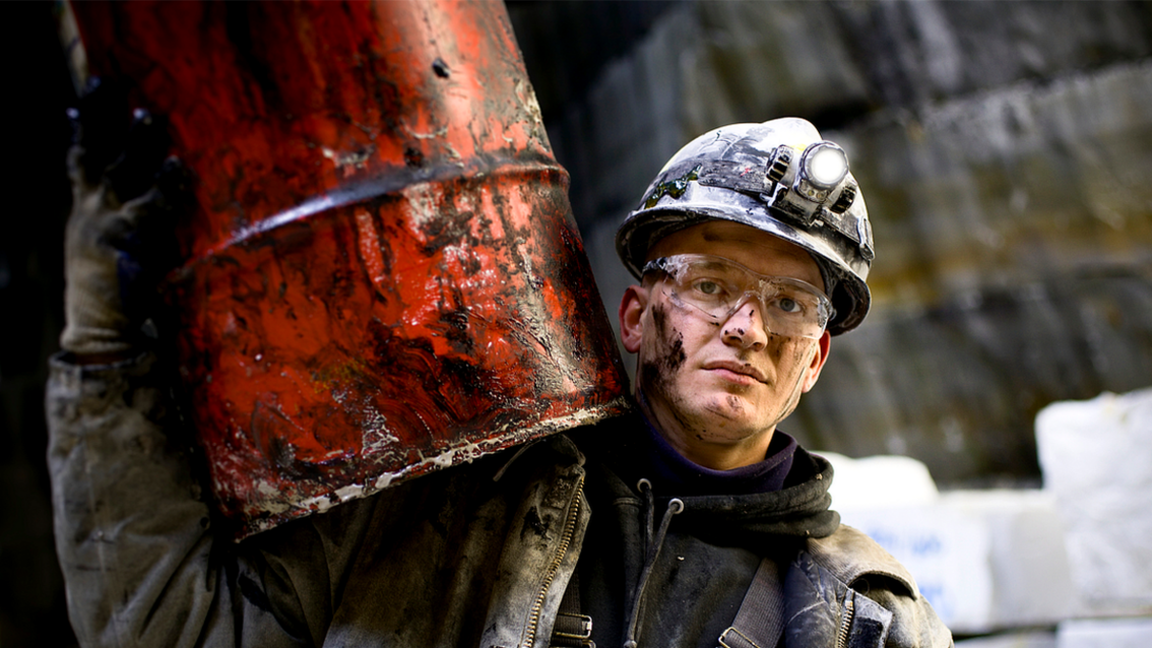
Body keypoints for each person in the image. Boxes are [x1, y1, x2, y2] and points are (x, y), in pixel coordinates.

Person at [48, 115, 952, 647]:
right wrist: (101, 341)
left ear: (815, 358)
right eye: (711, 286)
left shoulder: (858, 620)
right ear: (636, 318)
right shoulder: (447, 508)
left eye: (791, 305)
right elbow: (162, 627)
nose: (748, 328)